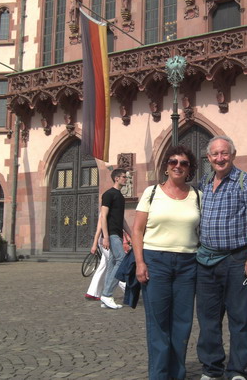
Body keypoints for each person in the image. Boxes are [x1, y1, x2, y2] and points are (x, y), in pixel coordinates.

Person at [196, 135, 247, 380]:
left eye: (224, 153)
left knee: (239, 317)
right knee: (208, 319)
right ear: (208, 158)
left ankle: (237, 370)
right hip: (205, 261)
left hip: (237, 259)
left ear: (233, 155)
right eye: (215, 154)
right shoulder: (204, 182)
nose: (220, 158)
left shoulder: (246, 182)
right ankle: (212, 369)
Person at [131, 145, 201, 380]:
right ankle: (159, 376)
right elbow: (137, 230)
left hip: (188, 263)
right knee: (158, 323)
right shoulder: (152, 193)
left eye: (183, 163)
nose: (178, 166)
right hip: (155, 261)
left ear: (190, 169)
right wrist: (140, 263)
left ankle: (177, 374)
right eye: (173, 162)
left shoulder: (197, 195)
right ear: (166, 167)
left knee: (182, 323)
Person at [100, 168, 131, 309]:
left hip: (117, 234)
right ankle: (106, 294)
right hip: (111, 234)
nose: (126, 179)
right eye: (124, 177)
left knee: (112, 264)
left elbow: (121, 218)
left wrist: (130, 233)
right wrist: (105, 237)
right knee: (122, 260)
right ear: (117, 178)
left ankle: (105, 297)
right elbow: (103, 216)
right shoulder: (108, 194)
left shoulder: (120, 196)